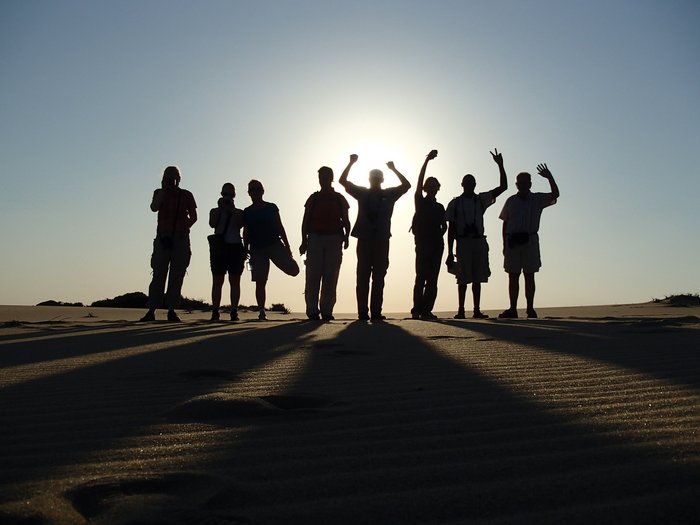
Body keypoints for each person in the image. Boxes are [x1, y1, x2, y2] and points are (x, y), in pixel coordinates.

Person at [339, 154, 411, 321]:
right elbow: (342, 181)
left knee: (379, 277)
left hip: (381, 240)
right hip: (364, 240)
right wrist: (350, 163)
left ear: (382, 180)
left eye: (378, 179)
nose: (375, 181)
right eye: (373, 178)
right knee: (363, 277)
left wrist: (394, 169)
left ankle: (376, 311)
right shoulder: (362, 193)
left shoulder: (390, 194)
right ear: (369, 179)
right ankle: (363, 312)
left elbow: (407, 185)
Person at [445, 149, 507, 319]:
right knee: (462, 277)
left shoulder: (481, 200)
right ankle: (461, 309)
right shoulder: (455, 203)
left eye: (472, 183)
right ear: (462, 184)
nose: (469, 185)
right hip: (463, 242)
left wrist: (500, 165)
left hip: (478, 241)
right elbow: (451, 230)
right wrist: (450, 252)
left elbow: (503, 187)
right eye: (467, 182)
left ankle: (477, 309)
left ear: (475, 185)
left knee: (478, 276)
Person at [498, 163, 560, 319]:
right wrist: (504, 243)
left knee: (529, 274)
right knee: (513, 275)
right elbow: (505, 222)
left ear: (530, 184)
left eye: (525, 183)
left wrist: (549, 177)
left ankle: (530, 308)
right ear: (516, 184)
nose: (522, 185)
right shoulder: (511, 201)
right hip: (512, 240)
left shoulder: (537, 199)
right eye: (520, 183)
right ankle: (513, 308)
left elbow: (555, 194)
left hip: (530, 239)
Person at [140, 166, 197, 322]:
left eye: (174, 177)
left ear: (179, 179)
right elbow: (153, 207)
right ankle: (151, 309)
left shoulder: (186, 195)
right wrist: (164, 189)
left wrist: (183, 229)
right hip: (162, 238)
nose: (172, 180)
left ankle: (171, 309)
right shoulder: (159, 193)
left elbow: (194, 216)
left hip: (181, 239)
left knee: (177, 275)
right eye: (168, 177)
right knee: (158, 273)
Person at [299, 166, 351, 321]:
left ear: (331, 178)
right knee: (313, 276)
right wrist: (303, 240)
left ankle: (327, 310)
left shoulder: (339, 198)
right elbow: (305, 220)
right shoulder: (313, 198)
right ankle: (312, 310)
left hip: (334, 239)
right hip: (315, 239)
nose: (324, 179)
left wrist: (347, 236)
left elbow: (346, 219)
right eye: (322, 177)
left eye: (327, 176)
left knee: (330, 276)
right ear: (319, 179)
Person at [243, 179, 299, 320]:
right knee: (260, 281)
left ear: (262, 191)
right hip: (257, 250)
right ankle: (262, 311)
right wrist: (245, 249)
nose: (254, 192)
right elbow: (246, 232)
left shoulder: (271, 207)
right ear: (249, 193)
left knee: (294, 270)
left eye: (257, 189)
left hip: (275, 245)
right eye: (252, 190)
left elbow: (280, 226)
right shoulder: (247, 212)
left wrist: (287, 247)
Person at [410, 149, 446, 320]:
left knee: (433, 280)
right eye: (429, 186)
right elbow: (418, 182)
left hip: (437, 245)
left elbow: (444, 226)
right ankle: (417, 309)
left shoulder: (440, 207)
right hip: (423, 245)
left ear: (438, 189)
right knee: (421, 278)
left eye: (434, 186)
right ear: (425, 189)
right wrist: (427, 161)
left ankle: (427, 310)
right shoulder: (420, 202)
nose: (431, 189)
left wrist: (440, 235)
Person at [208, 183, 245, 321]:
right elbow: (212, 223)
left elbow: (240, 223)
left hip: (235, 247)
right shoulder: (214, 211)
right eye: (225, 194)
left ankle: (234, 310)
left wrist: (232, 210)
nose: (228, 197)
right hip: (220, 247)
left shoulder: (239, 212)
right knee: (217, 280)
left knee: (235, 280)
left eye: (230, 194)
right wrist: (220, 208)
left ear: (234, 195)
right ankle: (215, 311)